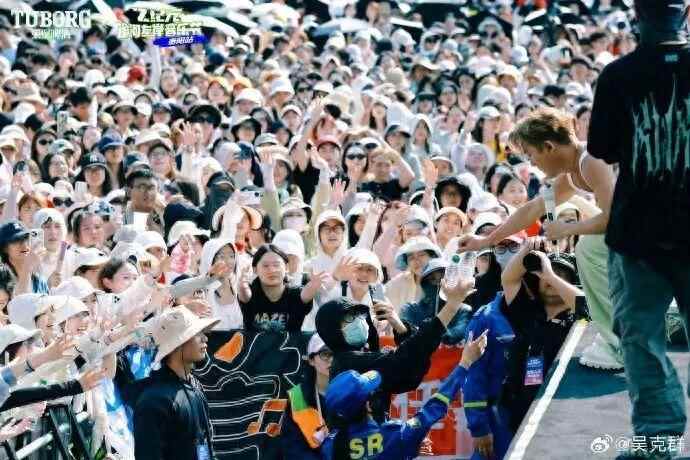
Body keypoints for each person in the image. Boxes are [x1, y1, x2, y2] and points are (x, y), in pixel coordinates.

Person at [586, 1, 690, 457]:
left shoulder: (618, 75)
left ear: (637, 18)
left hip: (637, 235)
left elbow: (602, 150)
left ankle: (657, 443)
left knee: (641, 341)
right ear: (684, 15)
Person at [460, 107, 622, 370]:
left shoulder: (592, 160)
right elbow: (532, 209)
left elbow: (613, 220)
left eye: (531, 154)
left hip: (662, 226)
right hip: (641, 227)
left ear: (548, 147)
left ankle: (620, 344)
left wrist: (567, 229)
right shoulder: (572, 172)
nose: (532, 163)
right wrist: (485, 241)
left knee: (589, 248)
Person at [315, 271, 475, 424]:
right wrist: (451, 306)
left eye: (360, 315)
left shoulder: (362, 357)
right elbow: (403, 360)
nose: (359, 321)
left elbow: (409, 375)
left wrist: (399, 326)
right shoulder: (347, 363)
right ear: (332, 330)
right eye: (350, 318)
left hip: (376, 436)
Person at [320, 329, 487, 459]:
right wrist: (465, 362)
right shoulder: (396, 434)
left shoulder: (329, 447)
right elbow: (435, 407)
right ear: (369, 404)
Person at [498, 238, 584, 433]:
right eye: (544, 274)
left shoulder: (579, 320)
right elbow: (509, 279)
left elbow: (587, 306)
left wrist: (551, 276)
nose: (549, 278)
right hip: (522, 412)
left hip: (563, 414)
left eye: (562, 274)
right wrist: (528, 249)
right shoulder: (528, 313)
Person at [133, 307, 219, 460]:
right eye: (196, 333)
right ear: (178, 343)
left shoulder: (195, 386)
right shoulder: (154, 401)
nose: (205, 338)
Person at [238, 244, 324, 332]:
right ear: (255, 269)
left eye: (276, 265)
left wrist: (312, 286)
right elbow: (245, 296)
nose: (272, 270)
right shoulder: (250, 293)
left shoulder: (295, 294)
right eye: (265, 266)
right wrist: (242, 285)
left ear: (286, 267)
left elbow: (304, 296)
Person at [281, 334, 333, 459]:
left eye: (335, 353)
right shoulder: (297, 397)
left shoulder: (356, 389)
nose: (331, 359)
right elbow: (293, 449)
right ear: (311, 360)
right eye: (325, 353)